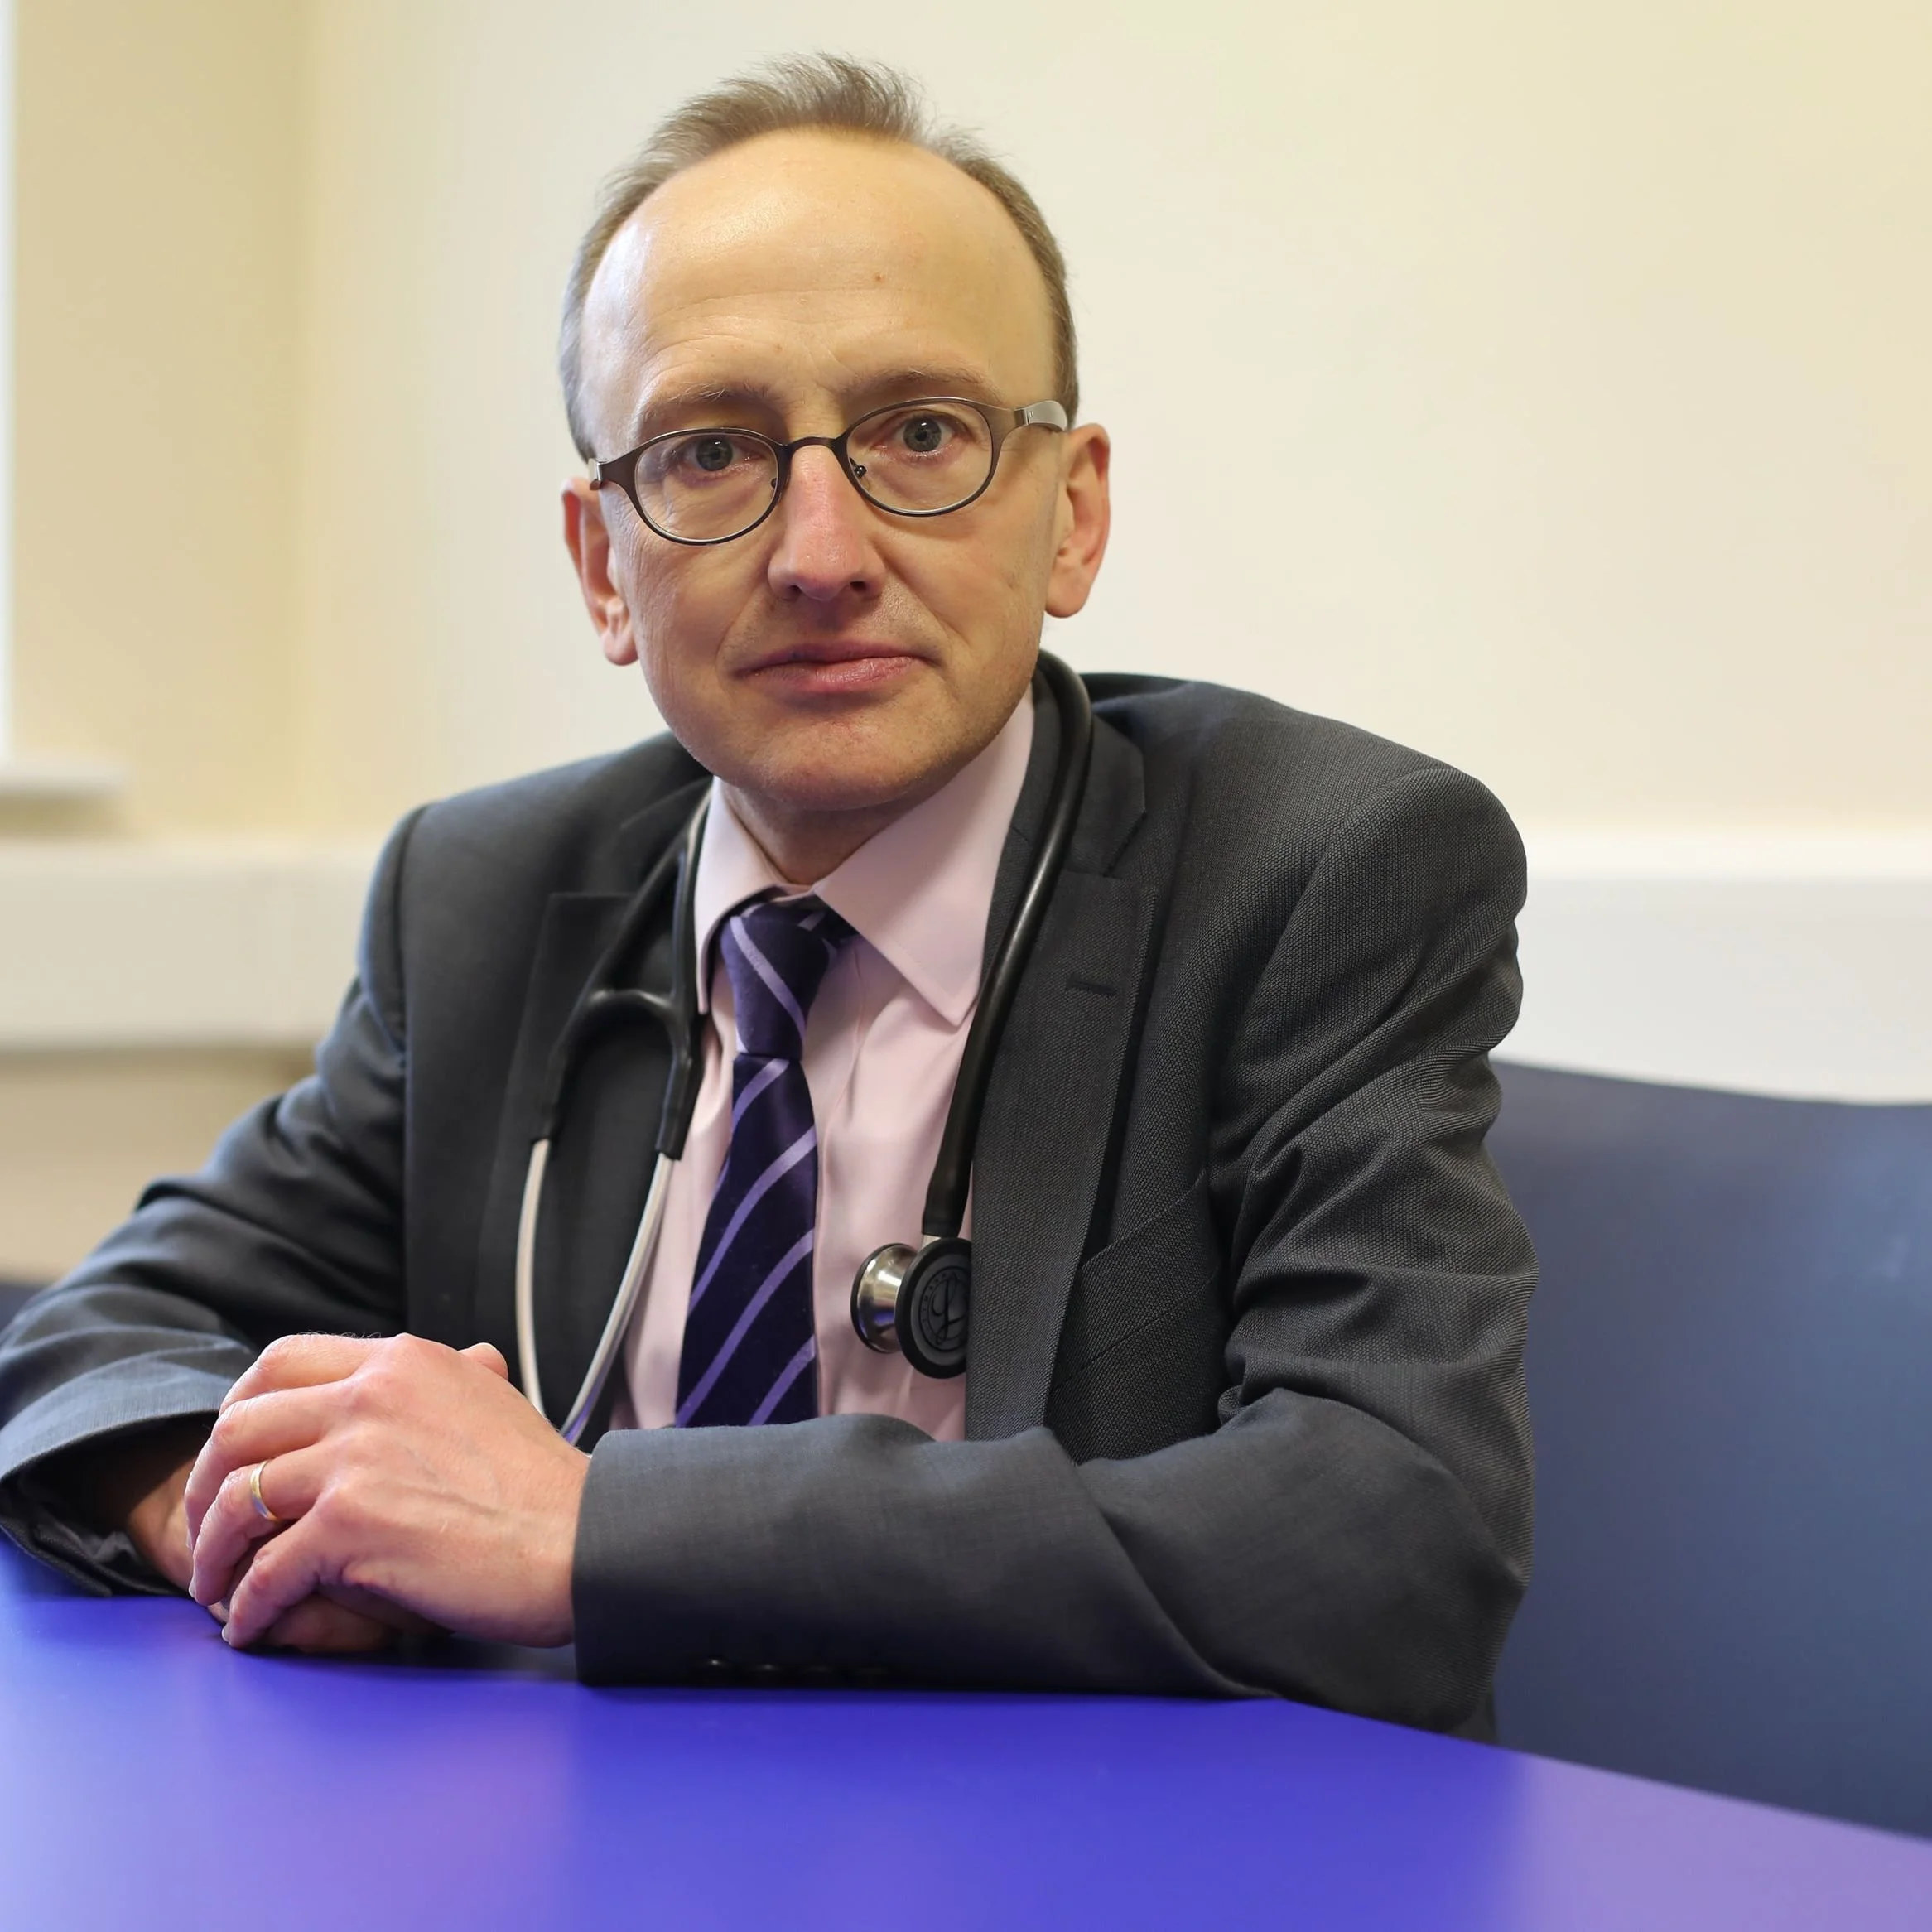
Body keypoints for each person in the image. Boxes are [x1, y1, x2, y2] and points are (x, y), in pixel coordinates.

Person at [0, 56, 1533, 1734]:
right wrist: (236, 1499)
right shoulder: (490, 897)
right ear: (604, 565)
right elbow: (113, 1329)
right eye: (712, 450)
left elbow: (1390, 1530)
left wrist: (592, 1526)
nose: (819, 550)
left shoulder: (1319, 871)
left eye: (922, 433)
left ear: (1071, 514)